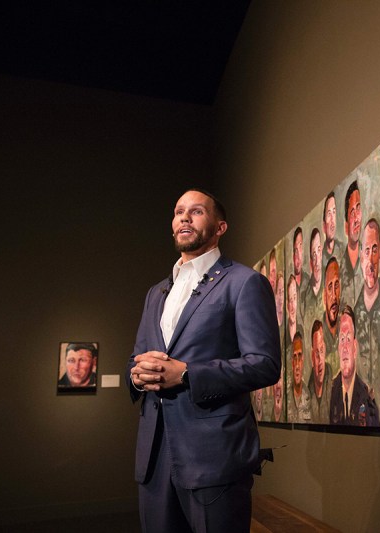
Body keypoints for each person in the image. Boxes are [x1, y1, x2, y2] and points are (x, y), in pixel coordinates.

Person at [127, 189, 281, 532]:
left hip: (214, 459)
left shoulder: (244, 283)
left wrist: (187, 374)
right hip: (154, 460)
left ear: (220, 227)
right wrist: (137, 375)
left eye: (196, 211)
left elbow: (265, 363)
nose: (184, 217)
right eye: (179, 211)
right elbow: (134, 359)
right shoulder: (156, 293)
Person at [353, 218, 380, 402]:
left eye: (374, 250)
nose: (370, 260)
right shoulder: (354, 314)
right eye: (367, 251)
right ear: (360, 257)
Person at [329, 306, 380, 426]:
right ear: (338, 348)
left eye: (348, 339)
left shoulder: (367, 398)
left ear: (355, 347)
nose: (345, 348)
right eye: (342, 339)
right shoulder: (330, 393)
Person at [340, 181, 364, 306]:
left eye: (358, 208)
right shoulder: (338, 273)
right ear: (346, 226)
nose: (356, 219)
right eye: (352, 212)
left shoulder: (369, 262)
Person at [308, 320, 334, 424]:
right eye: (317, 352)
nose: (320, 361)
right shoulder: (307, 395)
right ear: (312, 357)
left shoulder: (335, 388)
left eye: (322, 351)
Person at [322, 257, 342, 375]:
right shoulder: (320, 338)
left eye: (336, 285)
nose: (334, 296)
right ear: (324, 296)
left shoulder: (345, 330)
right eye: (330, 287)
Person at [303, 227, 324, 331]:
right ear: (311, 262)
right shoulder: (306, 296)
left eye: (319, 251)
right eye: (313, 254)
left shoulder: (329, 286)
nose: (316, 261)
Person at [288, 332, 311, 423]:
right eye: (294, 357)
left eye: (299, 355)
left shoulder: (309, 396)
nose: (297, 366)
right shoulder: (285, 397)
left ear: (303, 359)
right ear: (292, 362)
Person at [321, 191, 344, 267]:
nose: (332, 220)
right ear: (324, 225)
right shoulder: (320, 260)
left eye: (334, 212)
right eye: (329, 214)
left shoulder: (343, 252)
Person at [292, 226, 310, 299]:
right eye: (296, 250)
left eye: (300, 247)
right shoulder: (290, 285)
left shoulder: (308, 281)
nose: (298, 256)